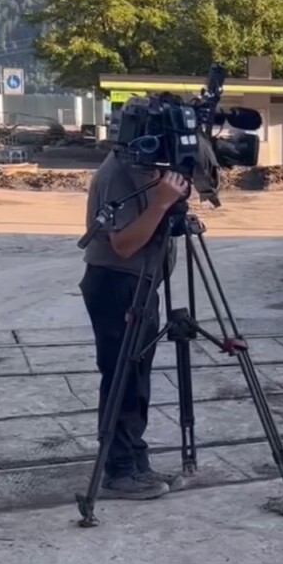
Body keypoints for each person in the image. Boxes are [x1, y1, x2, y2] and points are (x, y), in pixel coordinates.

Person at [81, 147, 188, 500]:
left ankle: (136, 464)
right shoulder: (118, 173)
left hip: (141, 282)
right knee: (122, 378)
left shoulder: (144, 167)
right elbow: (124, 244)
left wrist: (169, 204)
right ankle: (119, 471)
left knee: (136, 379)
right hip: (117, 282)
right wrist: (160, 204)